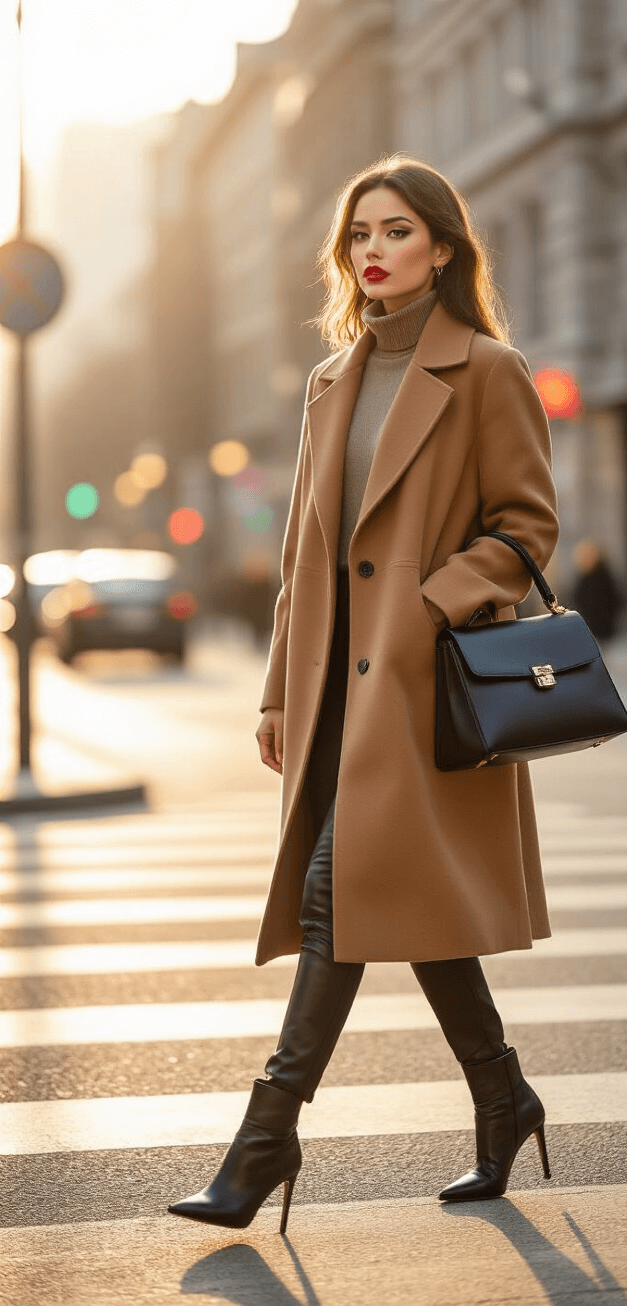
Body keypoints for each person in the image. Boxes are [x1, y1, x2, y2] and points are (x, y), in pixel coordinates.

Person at [169, 156, 559, 1233]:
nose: (372, 251)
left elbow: (524, 529)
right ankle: (503, 1095)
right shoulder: (330, 380)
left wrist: (430, 603)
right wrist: (276, 693)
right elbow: (305, 553)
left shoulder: (487, 370)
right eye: (358, 237)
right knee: (410, 908)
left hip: (425, 692)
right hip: (336, 695)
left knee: (337, 902)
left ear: (441, 247)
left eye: (395, 232)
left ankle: (262, 1144)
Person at [571, 540, 625, 644]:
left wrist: (610, 619)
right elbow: (576, 601)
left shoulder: (605, 577)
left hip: (603, 628)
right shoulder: (581, 579)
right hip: (587, 627)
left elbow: (617, 600)